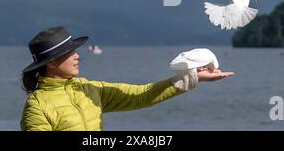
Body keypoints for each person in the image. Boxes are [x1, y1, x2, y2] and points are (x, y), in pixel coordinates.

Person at [20, 26, 235, 131]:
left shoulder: (88, 89)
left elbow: (140, 95)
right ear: (50, 62)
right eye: (69, 52)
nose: (77, 55)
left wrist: (191, 76)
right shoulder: (37, 107)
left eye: (75, 50)